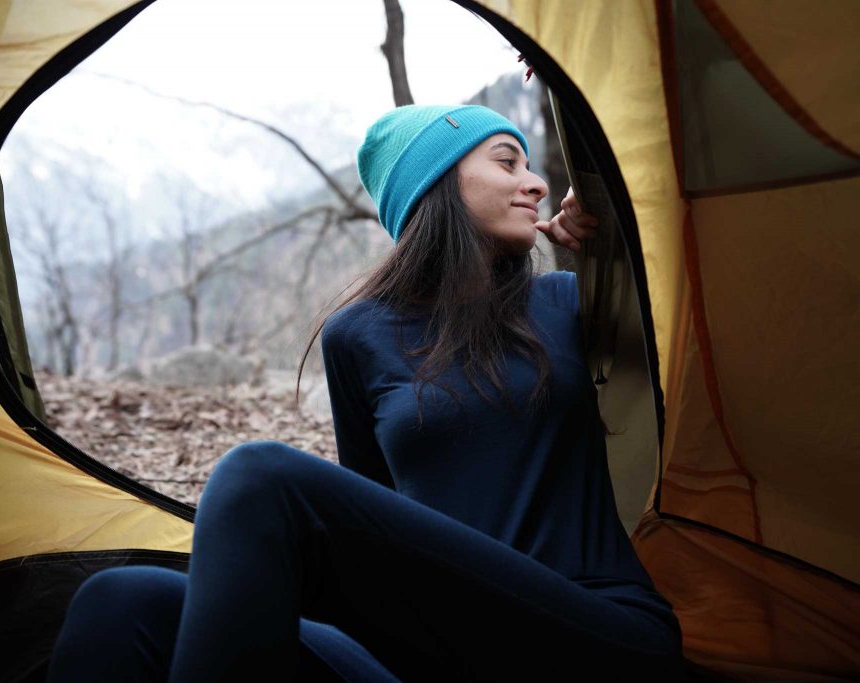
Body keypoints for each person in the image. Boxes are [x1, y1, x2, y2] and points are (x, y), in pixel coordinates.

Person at [46, 104, 686, 682]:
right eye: (506, 160)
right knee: (119, 600)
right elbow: (375, 526)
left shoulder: (568, 304)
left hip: (594, 630)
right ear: (434, 184)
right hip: (439, 645)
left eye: (531, 164)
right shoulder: (358, 335)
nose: (537, 182)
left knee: (260, 477)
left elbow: (694, 298)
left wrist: (615, 250)